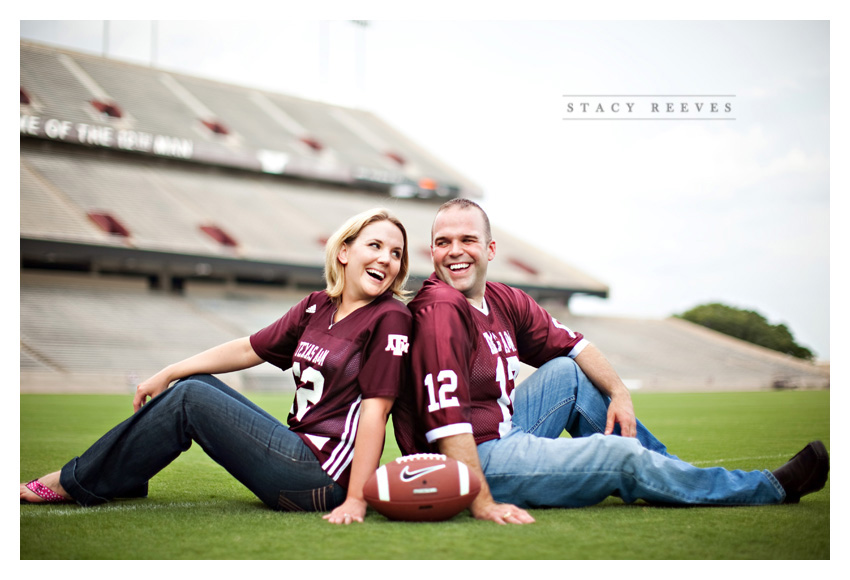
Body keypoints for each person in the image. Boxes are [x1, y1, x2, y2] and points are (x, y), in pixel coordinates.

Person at [393, 198, 829, 525]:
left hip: (504, 429)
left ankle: (673, 473)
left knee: (568, 372)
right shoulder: (440, 311)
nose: (455, 251)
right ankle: (768, 488)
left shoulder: (503, 298)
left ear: (489, 249)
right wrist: (480, 499)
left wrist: (619, 393)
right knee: (619, 456)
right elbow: (447, 420)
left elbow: (575, 346)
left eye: (466, 240)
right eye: (442, 242)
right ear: (431, 251)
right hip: (470, 459)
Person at [21, 208, 412, 525]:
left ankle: (74, 480)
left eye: (396, 254)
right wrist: (171, 370)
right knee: (195, 382)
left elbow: (375, 414)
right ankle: (126, 474)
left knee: (192, 398)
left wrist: (357, 500)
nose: (386, 259)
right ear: (344, 251)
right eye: (375, 245)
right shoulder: (317, 305)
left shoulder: (389, 317)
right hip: (298, 451)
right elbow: (248, 349)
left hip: (319, 477)